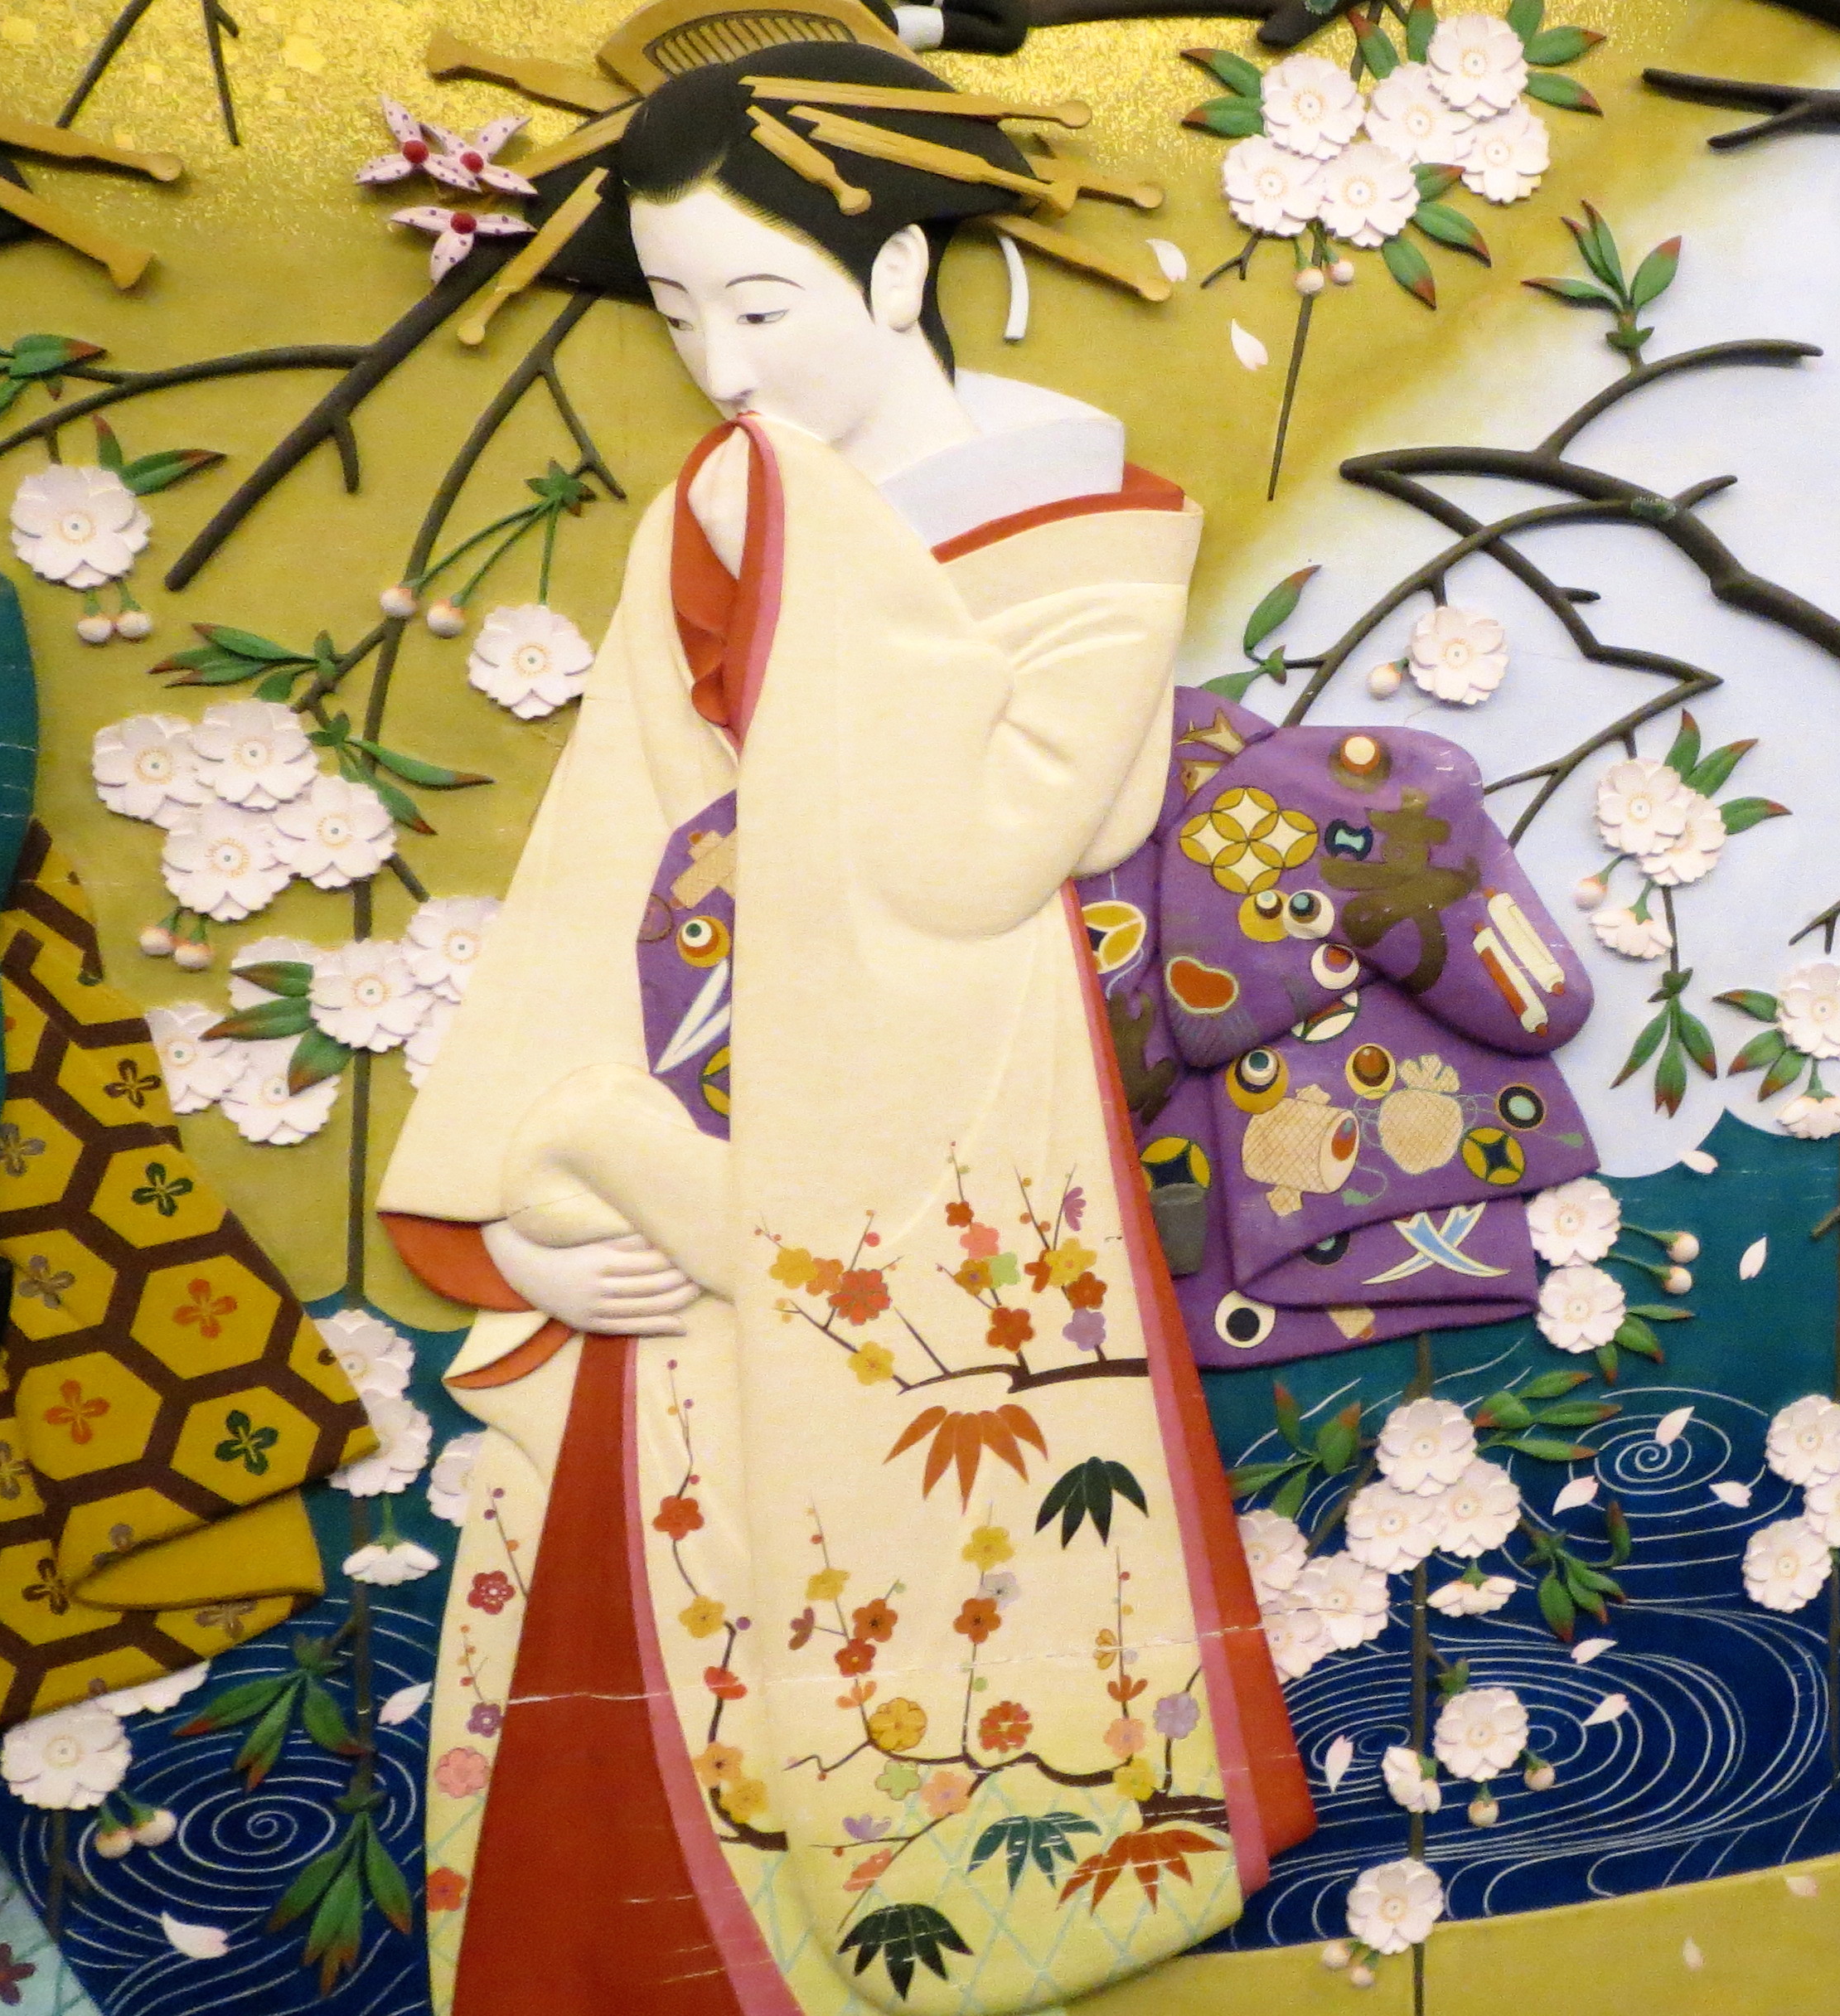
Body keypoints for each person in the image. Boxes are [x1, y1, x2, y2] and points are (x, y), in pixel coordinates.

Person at [375, 33, 1307, 2016]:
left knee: (959, 1577)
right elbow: (613, 834)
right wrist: (537, 1183)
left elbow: (990, 856)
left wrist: (826, 554)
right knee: (649, 1571)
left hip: (962, 1115)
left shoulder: (1082, 517)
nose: (721, 367)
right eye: (678, 312)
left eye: (762, 304)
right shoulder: (720, 508)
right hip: (691, 1115)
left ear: (895, 271)